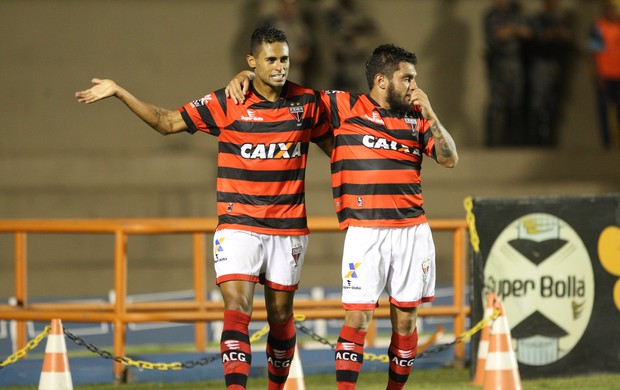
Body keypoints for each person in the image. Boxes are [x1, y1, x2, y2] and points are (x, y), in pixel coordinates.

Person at [75, 26, 332, 390]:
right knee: (238, 309)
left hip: (288, 227)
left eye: (284, 59)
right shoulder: (228, 102)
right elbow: (166, 122)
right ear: (252, 62)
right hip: (238, 224)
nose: (279, 67)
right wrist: (120, 92)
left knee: (280, 316)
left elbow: (337, 147)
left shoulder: (306, 103)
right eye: (270, 59)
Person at [226, 43, 458, 390]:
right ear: (381, 80)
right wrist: (248, 74)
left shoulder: (417, 118)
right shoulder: (344, 106)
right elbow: (286, 87)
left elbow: (449, 158)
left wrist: (432, 113)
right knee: (357, 317)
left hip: (412, 231)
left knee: (406, 322)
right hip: (365, 232)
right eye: (407, 78)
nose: (414, 86)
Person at [524, 0, 574, 146]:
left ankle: (547, 139)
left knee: (551, 104)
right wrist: (553, 33)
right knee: (537, 103)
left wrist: (560, 33)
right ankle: (534, 139)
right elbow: (536, 37)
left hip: (556, 64)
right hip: (541, 64)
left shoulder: (559, 20)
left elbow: (569, 37)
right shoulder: (538, 19)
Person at [483, 0, 532, 146]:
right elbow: (498, 35)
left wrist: (510, 30)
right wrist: (514, 30)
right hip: (499, 63)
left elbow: (527, 32)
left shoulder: (515, 14)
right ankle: (491, 141)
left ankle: (514, 140)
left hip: (515, 63)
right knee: (496, 103)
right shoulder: (492, 16)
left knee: (515, 103)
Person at [587, 0, 620, 150]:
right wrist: (597, 74)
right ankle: (606, 145)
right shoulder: (598, 26)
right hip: (605, 76)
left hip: (618, 76)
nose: (612, 12)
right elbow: (593, 52)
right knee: (604, 111)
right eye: (610, 9)